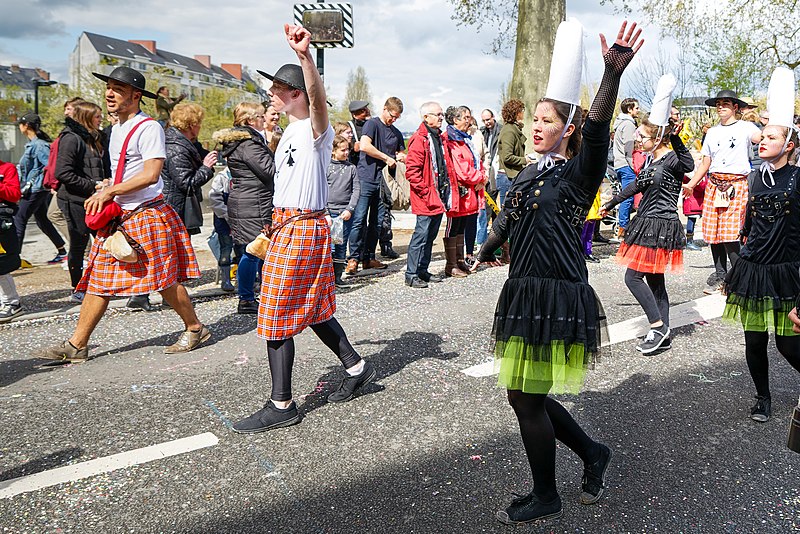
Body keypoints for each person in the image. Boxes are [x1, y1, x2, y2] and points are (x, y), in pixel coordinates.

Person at [472, 19, 643, 525]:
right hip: (523, 291)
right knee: (528, 395)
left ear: (566, 127)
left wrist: (609, 76)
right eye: (535, 120)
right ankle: (592, 453)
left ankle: (547, 494)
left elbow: (595, 133)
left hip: (559, 295)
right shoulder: (529, 170)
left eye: (548, 120)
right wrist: (489, 245)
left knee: (525, 397)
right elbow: (510, 211)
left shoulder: (577, 171)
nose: (537, 127)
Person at [232, 24, 376, 434]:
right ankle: (357, 365)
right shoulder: (286, 132)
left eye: (277, 89)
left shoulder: (316, 127)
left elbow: (317, 99)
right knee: (311, 306)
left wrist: (305, 58)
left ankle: (282, 404)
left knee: (274, 310)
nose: (270, 96)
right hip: (289, 224)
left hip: (303, 226)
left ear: (295, 93)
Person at [37, 66, 210, 363]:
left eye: (117, 88)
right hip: (121, 217)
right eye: (109, 87)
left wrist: (110, 191)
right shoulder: (115, 129)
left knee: (164, 281)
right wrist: (106, 187)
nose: (109, 93)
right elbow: (124, 172)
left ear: (136, 95)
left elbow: (152, 174)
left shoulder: (149, 127)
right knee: (98, 278)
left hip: (146, 214)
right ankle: (77, 345)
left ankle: (195, 328)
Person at [722, 67, 800, 423]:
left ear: (790, 144)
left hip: (788, 273)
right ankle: (763, 398)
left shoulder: (798, 178)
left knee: (788, 345)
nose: (761, 140)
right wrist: (737, 269)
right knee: (754, 342)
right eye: (762, 135)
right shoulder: (755, 177)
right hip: (753, 271)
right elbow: (750, 227)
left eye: (771, 136)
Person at [601, 113, 694, 353]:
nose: (637, 139)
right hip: (646, 223)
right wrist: (610, 204)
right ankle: (664, 334)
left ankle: (657, 325)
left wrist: (675, 138)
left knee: (632, 278)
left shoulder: (672, 159)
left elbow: (689, 165)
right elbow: (635, 186)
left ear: (657, 137)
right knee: (655, 281)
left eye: (641, 135)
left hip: (661, 225)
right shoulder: (650, 162)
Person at [682, 90, 762, 294]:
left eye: (725, 103)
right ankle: (720, 275)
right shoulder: (713, 132)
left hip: (736, 184)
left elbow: (763, 138)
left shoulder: (746, 127)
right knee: (713, 232)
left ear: (735, 107)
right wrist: (691, 183)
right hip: (714, 184)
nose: (720, 107)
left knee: (731, 233)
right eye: (718, 104)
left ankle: (740, 277)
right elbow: (706, 162)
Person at [213, 102, 275, 314]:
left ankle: (250, 296)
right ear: (250, 120)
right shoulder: (248, 144)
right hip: (253, 202)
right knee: (253, 251)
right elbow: (268, 171)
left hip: (246, 201)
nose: (263, 118)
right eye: (259, 116)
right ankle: (247, 299)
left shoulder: (242, 142)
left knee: (252, 251)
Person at [346, 97, 405, 274]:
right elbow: (364, 145)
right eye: (392, 116)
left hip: (385, 182)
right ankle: (353, 258)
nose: (393, 120)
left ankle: (369, 257)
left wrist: (401, 158)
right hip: (366, 177)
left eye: (397, 118)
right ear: (385, 109)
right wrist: (386, 158)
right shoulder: (371, 124)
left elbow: (401, 153)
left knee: (377, 222)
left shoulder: (396, 132)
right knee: (359, 219)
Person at [54, 101, 106, 300]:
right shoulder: (71, 138)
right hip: (75, 200)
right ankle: (78, 288)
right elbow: (63, 173)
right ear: (86, 117)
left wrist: (103, 182)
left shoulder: (92, 138)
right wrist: (93, 185)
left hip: (92, 199)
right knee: (78, 243)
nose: (100, 119)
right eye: (97, 116)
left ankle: (98, 282)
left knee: (104, 241)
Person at [14, 113, 68, 264]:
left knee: (19, 218)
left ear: (26, 126)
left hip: (36, 189)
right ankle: (62, 251)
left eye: (20, 124)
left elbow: (50, 166)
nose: (19, 127)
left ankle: (14, 257)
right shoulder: (33, 144)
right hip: (36, 188)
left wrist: (47, 183)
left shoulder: (39, 145)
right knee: (42, 220)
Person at [404, 101, 448, 289]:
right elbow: (412, 171)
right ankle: (411, 274)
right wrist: (425, 191)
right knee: (420, 235)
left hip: (438, 194)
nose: (441, 117)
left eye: (442, 114)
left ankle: (423, 269)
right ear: (426, 117)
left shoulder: (438, 137)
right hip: (426, 196)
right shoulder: (419, 139)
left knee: (430, 236)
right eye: (438, 114)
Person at [161, 102, 217, 235]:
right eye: (199, 123)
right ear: (192, 124)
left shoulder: (181, 142)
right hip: (175, 210)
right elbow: (187, 183)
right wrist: (206, 168)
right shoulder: (177, 148)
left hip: (175, 208)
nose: (200, 127)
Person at [442, 105, 485, 278]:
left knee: (462, 226)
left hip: (469, 191)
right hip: (457, 190)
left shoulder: (465, 139)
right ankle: (451, 264)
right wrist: (480, 177)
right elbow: (462, 169)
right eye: (465, 117)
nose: (469, 120)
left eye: (469, 117)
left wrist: (481, 175)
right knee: (454, 226)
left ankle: (459, 261)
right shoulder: (450, 140)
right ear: (455, 120)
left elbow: (475, 161)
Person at [326, 134, 360, 287]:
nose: (346, 153)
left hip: (344, 213)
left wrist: (350, 209)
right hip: (328, 213)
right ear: (333, 151)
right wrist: (325, 211)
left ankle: (337, 277)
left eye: (347, 150)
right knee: (329, 246)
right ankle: (326, 277)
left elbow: (356, 190)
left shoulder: (351, 168)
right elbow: (321, 189)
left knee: (340, 245)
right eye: (342, 150)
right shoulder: (326, 167)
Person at [611, 97, 640, 243]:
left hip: (619, 163)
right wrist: (633, 165)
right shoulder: (628, 125)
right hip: (626, 164)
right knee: (627, 197)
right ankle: (623, 229)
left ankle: (623, 227)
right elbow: (629, 147)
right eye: (636, 108)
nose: (638, 110)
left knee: (626, 196)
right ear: (629, 110)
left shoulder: (620, 124)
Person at [0, 158, 22, 321]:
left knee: (2, 263)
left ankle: (12, 302)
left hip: (2, 222)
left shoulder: (7, 168)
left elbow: (14, 194)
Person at [208, 166, 235, 292]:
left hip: (240, 219)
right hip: (223, 221)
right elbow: (215, 200)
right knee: (226, 249)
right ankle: (226, 279)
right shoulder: (221, 178)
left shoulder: (243, 173)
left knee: (242, 250)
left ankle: (242, 278)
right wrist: (227, 215)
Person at [479, 108, 502, 244]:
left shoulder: (501, 131)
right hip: (486, 171)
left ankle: (493, 239)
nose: (487, 122)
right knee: (489, 207)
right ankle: (489, 239)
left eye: (488, 119)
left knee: (492, 207)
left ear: (493, 117)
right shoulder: (482, 132)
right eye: (484, 120)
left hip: (496, 171)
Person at [347, 100, 370, 166]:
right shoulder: (349, 126)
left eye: (367, 109)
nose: (367, 112)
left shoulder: (371, 124)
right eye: (363, 111)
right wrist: (353, 147)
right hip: (356, 163)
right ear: (354, 115)